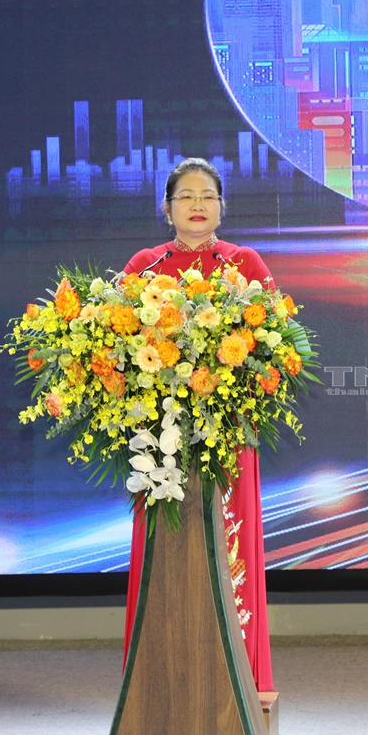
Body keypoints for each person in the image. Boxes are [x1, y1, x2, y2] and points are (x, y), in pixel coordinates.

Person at [120, 156, 274, 693]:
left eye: (207, 195)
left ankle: (237, 683)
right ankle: (159, 684)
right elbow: (119, 345)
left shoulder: (244, 264)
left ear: (222, 207)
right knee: (166, 550)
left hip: (227, 431)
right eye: (185, 196)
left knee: (231, 549)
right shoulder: (144, 266)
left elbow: (273, 343)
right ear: (167, 210)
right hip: (159, 436)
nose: (197, 205)